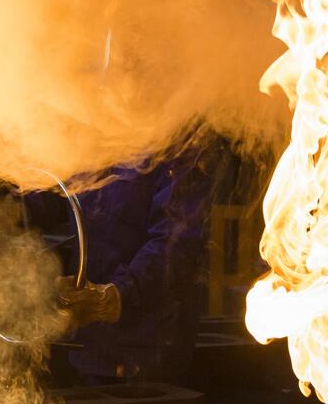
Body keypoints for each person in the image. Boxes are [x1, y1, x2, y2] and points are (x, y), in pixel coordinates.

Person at [27, 150, 211, 385]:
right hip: (86, 341)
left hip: (147, 346)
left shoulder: (180, 145)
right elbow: (45, 196)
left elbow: (176, 243)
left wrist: (117, 294)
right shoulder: (89, 139)